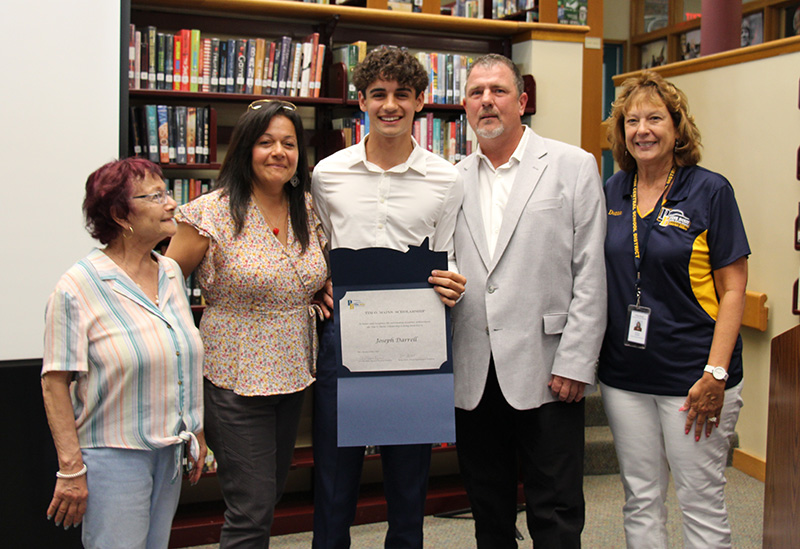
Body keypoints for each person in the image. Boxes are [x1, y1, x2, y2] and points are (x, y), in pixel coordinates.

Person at [311, 47, 465, 548]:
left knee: (408, 484)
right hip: (345, 340)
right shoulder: (328, 174)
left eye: (403, 94)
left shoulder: (447, 178)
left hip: (415, 344)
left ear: (421, 101)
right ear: (361, 101)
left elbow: (453, 252)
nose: (390, 105)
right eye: (378, 94)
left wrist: (453, 279)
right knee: (335, 482)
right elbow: (319, 250)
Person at [452, 53, 607, 548]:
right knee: (487, 505)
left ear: (522, 101)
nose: (487, 101)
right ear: (465, 107)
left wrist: (578, 360)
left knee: (556, 507)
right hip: (474, 370)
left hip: (549, 369)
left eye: (498, 90)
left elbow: (590, 271)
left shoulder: (573, 166)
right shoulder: (451, 178)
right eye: (476, 93)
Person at [166, 100, 328, 547]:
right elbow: (161, 286)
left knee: (267, 496)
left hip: (293, 375)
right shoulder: (210, 213)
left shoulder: (307, 208)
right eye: (266, 142)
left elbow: (304, 272)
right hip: (234, 380)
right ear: (245, 150)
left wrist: (319, 288)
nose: (279, 151)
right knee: (251, 508)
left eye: (289, 144)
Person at [600, 70, 749, 548]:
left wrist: (717, 374)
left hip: (694, 377)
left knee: (700, 501)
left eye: (655, 119)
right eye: (631, 121)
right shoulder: (611, 191)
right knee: (640, 498)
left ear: (678, 128)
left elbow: (734, 287)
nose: (642, 130)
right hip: (626, 376)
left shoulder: (710, 191)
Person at [41, 157, 205, 548]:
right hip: (113, 457)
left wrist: (195, 431)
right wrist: (70, 468)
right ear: (119, 214)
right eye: (156, 196)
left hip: (169, 452)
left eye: (167, 193)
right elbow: (55, 382)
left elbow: (179, 356)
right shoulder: (78, 286)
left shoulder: (168, 272)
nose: (171, 204)